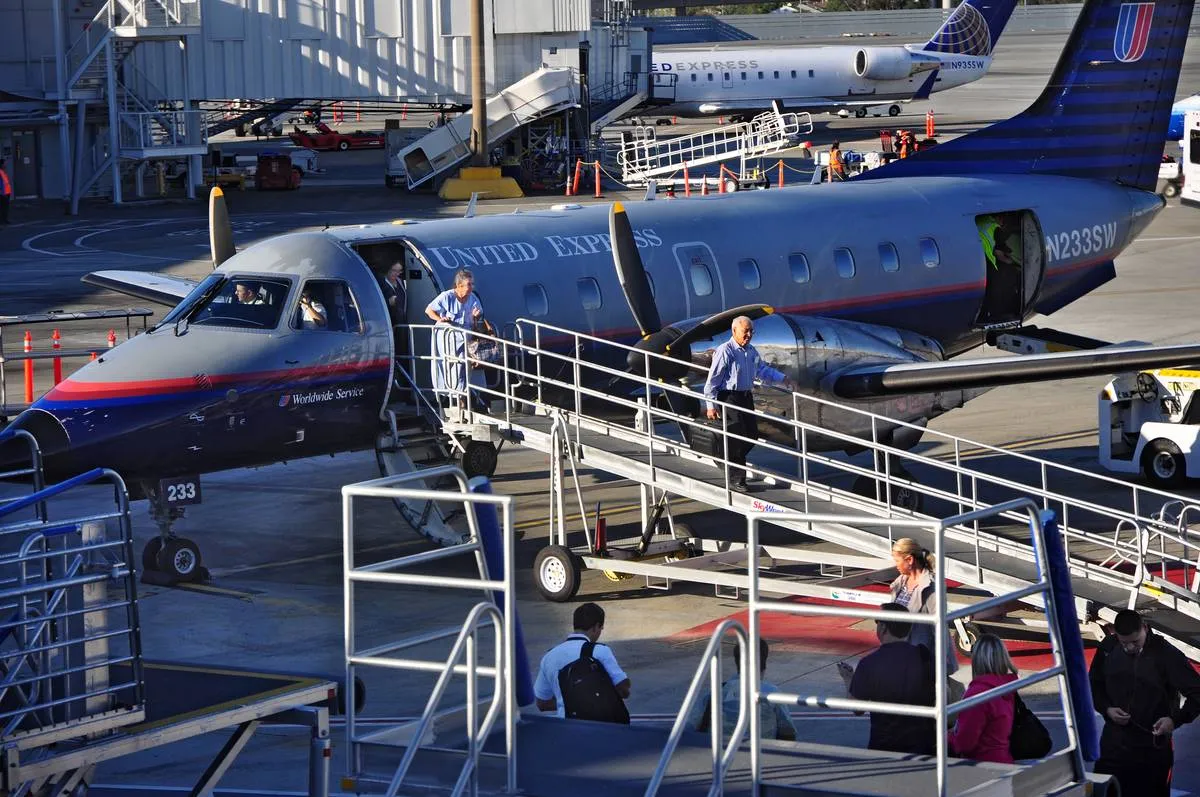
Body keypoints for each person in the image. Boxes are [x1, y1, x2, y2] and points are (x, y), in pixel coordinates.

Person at [1089, 609, 1200, 797]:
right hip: (1113, 745)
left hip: (1152, 746)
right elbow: (1094, 685)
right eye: (1124, 643)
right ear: (1115, 634)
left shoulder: (1166, 654)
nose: (1129, 648)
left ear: (1145, 629)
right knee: (1104, 792)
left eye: (1135, 642)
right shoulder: (1108, 647)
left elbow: (1197, 692)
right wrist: (1106, 709)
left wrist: (1174, 720)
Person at [702, 316, 796, 492]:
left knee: (751, 434)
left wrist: (783, 378)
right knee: (737, 437)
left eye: (751, 331)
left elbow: (762, 370)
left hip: (745, 397)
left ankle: (725, 457)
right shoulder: (725, 351)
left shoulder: (751, 351)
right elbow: (712, 380)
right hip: (729, 397)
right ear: (734, 331)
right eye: (746, 331)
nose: (749, 335)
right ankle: (737, 479)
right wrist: (710, 405)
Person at [837, 602, 935, 755]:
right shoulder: (924, 655)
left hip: (885, 745)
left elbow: (857, 708)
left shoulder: (869, 663)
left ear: (883, 628)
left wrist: (848, 678)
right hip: (923, 743)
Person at [534, 602, 631, 719]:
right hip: (600, 726)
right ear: (596, 627)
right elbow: (623, 689)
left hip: (566, 726)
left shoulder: (549, 656)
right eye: (601, 628)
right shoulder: (600, 651)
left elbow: (542, 703)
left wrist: (567, 703)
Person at [689, 637, 798, 741]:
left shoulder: (716, 692)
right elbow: (788, 732)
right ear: (764, 664)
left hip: (722, 752)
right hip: (763, 753)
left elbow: (692, 726)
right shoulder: (771, 693)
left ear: (737, 662)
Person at [889, 537, 961, 694]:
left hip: (922, 661)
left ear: (909, 559)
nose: (896, 566)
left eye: (897, 561)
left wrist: (940, 667)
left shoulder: (932, 587)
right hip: (901, 655)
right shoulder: (899, 583)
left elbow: (940, 628)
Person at [948, 634, 1017, 763]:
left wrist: (947, 737)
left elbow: (965, 744)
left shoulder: (978, 694)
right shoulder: (1006, 687)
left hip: (982, 766)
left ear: (977, 660)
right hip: (1004, 760)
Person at [379, 261, 405, 327]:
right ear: (388, 269)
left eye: (399, 271)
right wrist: (388, 302)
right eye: (394, 270)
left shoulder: (400, 281)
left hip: (400, 319)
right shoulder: (381, 282)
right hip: (387, 320)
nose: (397, 274)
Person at [0, 158, 11, 224]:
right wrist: (2, 192)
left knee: (5, 207)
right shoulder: (1, 172)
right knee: (3, 207)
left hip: (7, 192)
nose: (5, 164)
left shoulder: (3, 171)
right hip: (3, 193)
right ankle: (2, 220)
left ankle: (4, 219)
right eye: (4, 163)